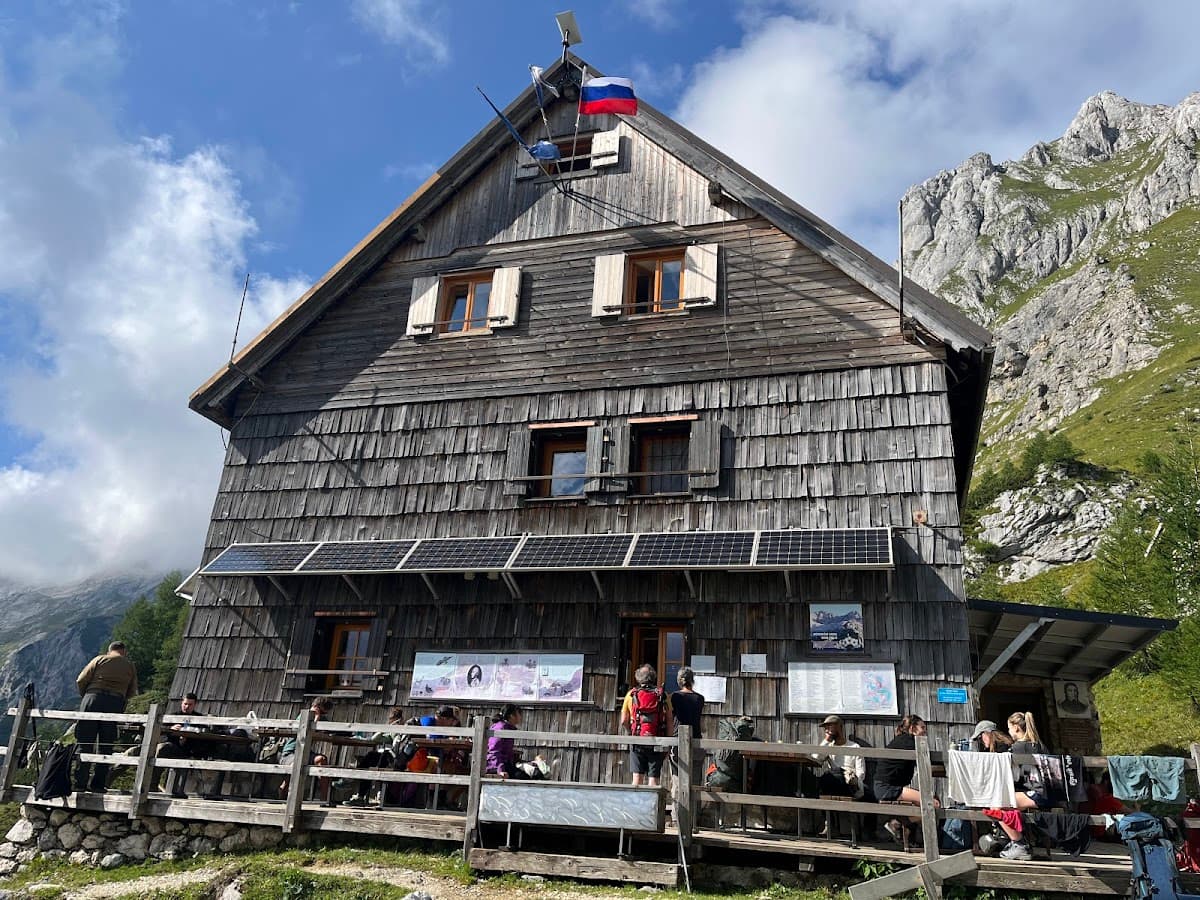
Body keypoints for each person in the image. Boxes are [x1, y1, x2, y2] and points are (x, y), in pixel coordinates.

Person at [73, 641, 139, 793]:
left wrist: (87, 696)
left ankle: (80, 783)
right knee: (106, 744)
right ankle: (98, 785)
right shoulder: (130, 666)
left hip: (93, 698)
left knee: (85, 741)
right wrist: (121, 699)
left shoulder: (99, 659)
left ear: (110, 651)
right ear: (124, 651)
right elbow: (132, 689)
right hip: (115, 702)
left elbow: (81, 679)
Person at [872, 714, 940, 846]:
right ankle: (896, 825)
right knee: (933, 804)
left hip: (886, 786)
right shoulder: (909, 742)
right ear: (913, 728)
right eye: (922, 728)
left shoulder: (902, 740)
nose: (925, 731)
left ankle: (910, 836)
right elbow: (928, 760)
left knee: (929, 801)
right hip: (887, 788)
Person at [994, 711, 1052, 860]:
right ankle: (1021, 841)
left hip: (1038, 794)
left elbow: (1006, 772)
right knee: (1009, 802)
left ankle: (1019, 843)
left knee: (995, 804)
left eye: (1009, 728)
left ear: (1016, 728)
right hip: (1049, 792)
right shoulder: (1039, 745)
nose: (1008, 731)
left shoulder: (1017, 748)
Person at [619, 663, 674, 787]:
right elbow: (670, 720)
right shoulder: (663, 695)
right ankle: (652, 807)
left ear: (638, 677)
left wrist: (630, 732)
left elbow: (623, 721)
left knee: (637, 779)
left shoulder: (631, 694)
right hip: (656, 740)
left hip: (637, 739)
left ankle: (635, 806)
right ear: (653, 677)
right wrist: (669, 743)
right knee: (653, 780)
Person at [278, 697, 333, 803]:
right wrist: (316, 717)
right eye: (321, 712)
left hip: (306, 752)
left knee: (322, 760)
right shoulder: (305, 716)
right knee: (296, 764)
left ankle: (324, 799)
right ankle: (286, 794)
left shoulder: (322, 718)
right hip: (291, 752)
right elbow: (307, 731)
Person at [154, 693, 209, 798]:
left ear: (195, 705)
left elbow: (204, 735)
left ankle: (178, 791)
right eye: (185, 704)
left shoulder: (199, 718)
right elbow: (160, 730)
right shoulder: (173, 716)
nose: (187, 707)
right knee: (162, 748)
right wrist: (171, 729)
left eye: (190, 705)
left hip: (189, 750)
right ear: (182, 703)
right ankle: (153, 784)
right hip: (173, 747)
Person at [810, 715, 865, 799]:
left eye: (829, 726)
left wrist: (855, 783)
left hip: (850, 783)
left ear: (839, 727)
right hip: (834, 781)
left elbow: (861, 772)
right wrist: (827, 740)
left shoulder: (854, 746)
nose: (827, 730)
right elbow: (815, 758)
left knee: (837, 773)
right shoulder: (829, 746)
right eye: (825, 728)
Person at [486, 704, 545, 780]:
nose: (520, 717)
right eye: (519, 714)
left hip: (506, 765)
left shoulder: (508, 728)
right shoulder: (500, 728)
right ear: (511, 716)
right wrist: (500, 770)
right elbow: (494, 751)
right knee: (524, 778)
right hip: (495, 766)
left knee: (535, 773)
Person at [670, 667, 705, 786]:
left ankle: (677, 804)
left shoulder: (675, 697)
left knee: (677, 778)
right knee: (695, 780)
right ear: (692, 680)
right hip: (696, 739)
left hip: (677, 739)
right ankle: (694, 804)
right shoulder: (699, 698)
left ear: (679, 680)